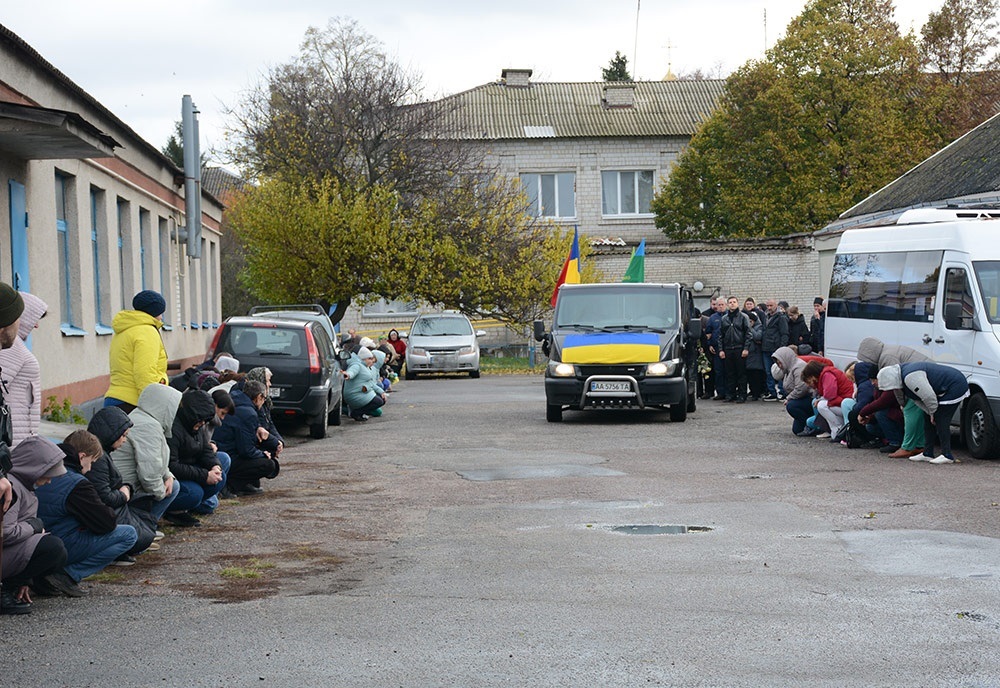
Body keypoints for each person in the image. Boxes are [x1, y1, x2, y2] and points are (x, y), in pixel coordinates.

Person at [33, 433, 137, 594]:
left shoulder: (42, 469)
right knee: (129, 534)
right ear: (82, 457)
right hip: (60, 545)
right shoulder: (77, 484)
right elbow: (106, 524)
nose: (89, 469)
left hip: (34, 543)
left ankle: (46, 575)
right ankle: (67, 574)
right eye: (91, 462)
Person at [1, 435, 69, 614]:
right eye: (47, 474)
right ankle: (4, 590)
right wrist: (34, 526)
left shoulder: (19, 484)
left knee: (53, 548)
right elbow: (6, 533)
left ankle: (9, 587)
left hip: (8, 552)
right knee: (53, 548)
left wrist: (26, 579)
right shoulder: (13, 487)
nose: (49, 480)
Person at [86, 406, 158, 561]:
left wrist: (126, 489)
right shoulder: (99, 459)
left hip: (113, 508)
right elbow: (104, 496)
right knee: (141, 535)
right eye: (123, 435)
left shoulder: (103, 454)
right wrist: (124, 494)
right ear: (111, 435)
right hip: (109, 512)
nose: (124, 440)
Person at [111, 383, 181, 523]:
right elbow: (149, 474)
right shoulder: (148, 426)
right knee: (176, 489)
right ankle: (143, 526)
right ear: (165, 407)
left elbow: (158, 460)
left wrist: (168, 476)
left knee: (173, 484)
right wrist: (161, 493)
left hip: (125, 485)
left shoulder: (142, 418)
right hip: (127, 488)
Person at [876, 362, 970, 464]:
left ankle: (947, 455)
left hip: (955, 386)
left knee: (941, 419)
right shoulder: (903, 379)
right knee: (927, 420)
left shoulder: (910, 378)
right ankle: (927, 453)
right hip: (941, 390)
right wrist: (929, 413)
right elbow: (918, 399)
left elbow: (929, 396)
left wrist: (933, 413)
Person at [856, 337, 929, 459]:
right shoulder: (888, 352)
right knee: (917, 416)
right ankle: (919, 445)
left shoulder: (887, 358)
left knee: (910, 413)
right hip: (920, 379)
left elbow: (894, 384)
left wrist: (902, 403)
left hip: (918, 381)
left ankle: (907, 447)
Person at [166, 390, 229, 523]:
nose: (202, 424)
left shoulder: (197, 425)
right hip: (176, 474)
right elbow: (172, 465)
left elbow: (205, 449)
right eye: (201, 421)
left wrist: (214, 465)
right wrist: (204, 475)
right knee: (194, 493)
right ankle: (174, 510)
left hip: (191, 466)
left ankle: (194, 504)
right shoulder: (174, 430)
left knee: (221, 471)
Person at [105, 290, 168, 412]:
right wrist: (153, 404)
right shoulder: (147, 332)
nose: (161, 317)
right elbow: (145, 373)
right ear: (154, 312)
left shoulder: (125, 329)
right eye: (160, 313)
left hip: (115, 397)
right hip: (134, 403)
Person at [213, 380, 279, 495]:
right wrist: (263, 454)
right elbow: (246, 450)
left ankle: (239, 484)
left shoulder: (236, 400)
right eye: (264, 398)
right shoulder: (249, 413)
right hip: (228, 454)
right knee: (269, 465)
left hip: (221, 449)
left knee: (256, 479)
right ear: (259, 397)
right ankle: (231, 485)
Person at [0, 291, 47, 446]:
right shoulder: (12, 349)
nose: (37, 325)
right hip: (14, 440)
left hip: (18, 435)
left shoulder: (15, 346)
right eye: (35, 319)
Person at [801, 360, 853, 441]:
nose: (809, 384)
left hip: (844, 402)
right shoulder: (827, 373)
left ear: (812, 375)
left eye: (809, 380)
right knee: (820, 406)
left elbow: (830, 394)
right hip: (844, 400)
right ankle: (837, 430)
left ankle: (837, 429)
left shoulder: (827, 375)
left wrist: (820, 399)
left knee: (821, 405)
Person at [771, 346, 814, 436]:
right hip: (801, 398)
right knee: (797, 430)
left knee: (791, 406)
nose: (779, 365)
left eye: (780, 362)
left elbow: (802, 388)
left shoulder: (799, 367)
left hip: (809, 397)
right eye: (778, 363)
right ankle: (807, 422)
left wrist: (789, 398)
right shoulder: (788, 369)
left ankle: (812, 425)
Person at [719, 296, 752, 403]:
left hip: (739, 348)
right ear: (728, 304)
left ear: (737, 303)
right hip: (728, 349)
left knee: (741, 373)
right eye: (730, 302)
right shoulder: (724, 318)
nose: (732, 304)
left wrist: (746, 348)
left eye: (734, 302)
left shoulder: (743, 317)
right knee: (729, 373)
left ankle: (742, 395)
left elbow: (748, 333)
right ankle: (730, 394)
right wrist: (721, 350)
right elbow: (720, 335)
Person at [343, 347, 387, 421]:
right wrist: (348, 375)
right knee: (378, 402)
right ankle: (356, 413)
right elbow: (352, 371)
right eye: (369, 359)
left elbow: (371, 384)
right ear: (363, 358)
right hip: (356, 394)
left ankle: (359, 413)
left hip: (363, 393)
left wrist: (381, 392)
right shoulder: (357, 365)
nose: (371, 361)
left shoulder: (365, 367)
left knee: (381, 399)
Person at [761, 299, 789, 400]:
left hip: (776, 348)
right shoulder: (765, 316)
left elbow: (784, 333)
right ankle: (772, 392)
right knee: (769, 371)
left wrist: (781, 347)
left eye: (771, 306)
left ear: (776, 305)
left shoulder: (781, 317)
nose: (769, 308)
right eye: (767, 306)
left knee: (780, 371)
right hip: (766, 347)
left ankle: (782, 392)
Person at [745, 310, 766, 401]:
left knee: (756, 375)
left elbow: (758, 336)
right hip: (748, 354)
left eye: (751, 321)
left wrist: (750, 329)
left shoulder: (759, 327)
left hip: (756, 355)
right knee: (749, 375)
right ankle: (752, 391)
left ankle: (757, 393)